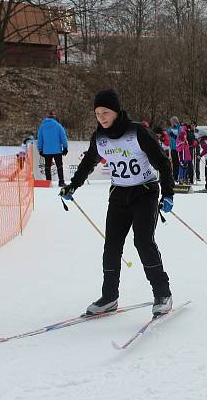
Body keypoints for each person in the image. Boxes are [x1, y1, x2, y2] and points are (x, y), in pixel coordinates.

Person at [59, 90, 174, 317]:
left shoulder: (137, 132)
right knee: (111, 246)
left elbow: (163, 162)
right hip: (119, 195)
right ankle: (109, 297)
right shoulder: (99, 138)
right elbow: (87, 163)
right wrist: (73, 185)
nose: (101, 117)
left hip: (144, 193)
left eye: (105, 112)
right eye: (97, 113)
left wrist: (168, 193)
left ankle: (163, 294)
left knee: (143, 242)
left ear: (116, 111)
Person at [36, 110, 69, 187]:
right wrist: (65, 147)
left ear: (47, 118)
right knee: (59, 166)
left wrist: (40, 149)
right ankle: (61, 182)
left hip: (47, 151)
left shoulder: (42, 126)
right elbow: (63, 137)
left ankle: (48, 183)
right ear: (54, 118)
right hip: (57, 150)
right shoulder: (58, 126)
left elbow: (40, 139)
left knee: (47, 167)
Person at [167, 117, 182, 181]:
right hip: (172, 147)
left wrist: (175, 136)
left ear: (175, 121)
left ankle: (179, 176)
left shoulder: (179, 128)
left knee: (178, 163)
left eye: (172, 122)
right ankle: (174, 176)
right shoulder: (170, 128)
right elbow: (167, 133)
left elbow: (181, 136)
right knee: (174, 162)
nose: (171, 123)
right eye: (171, 122)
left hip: (178, 148)